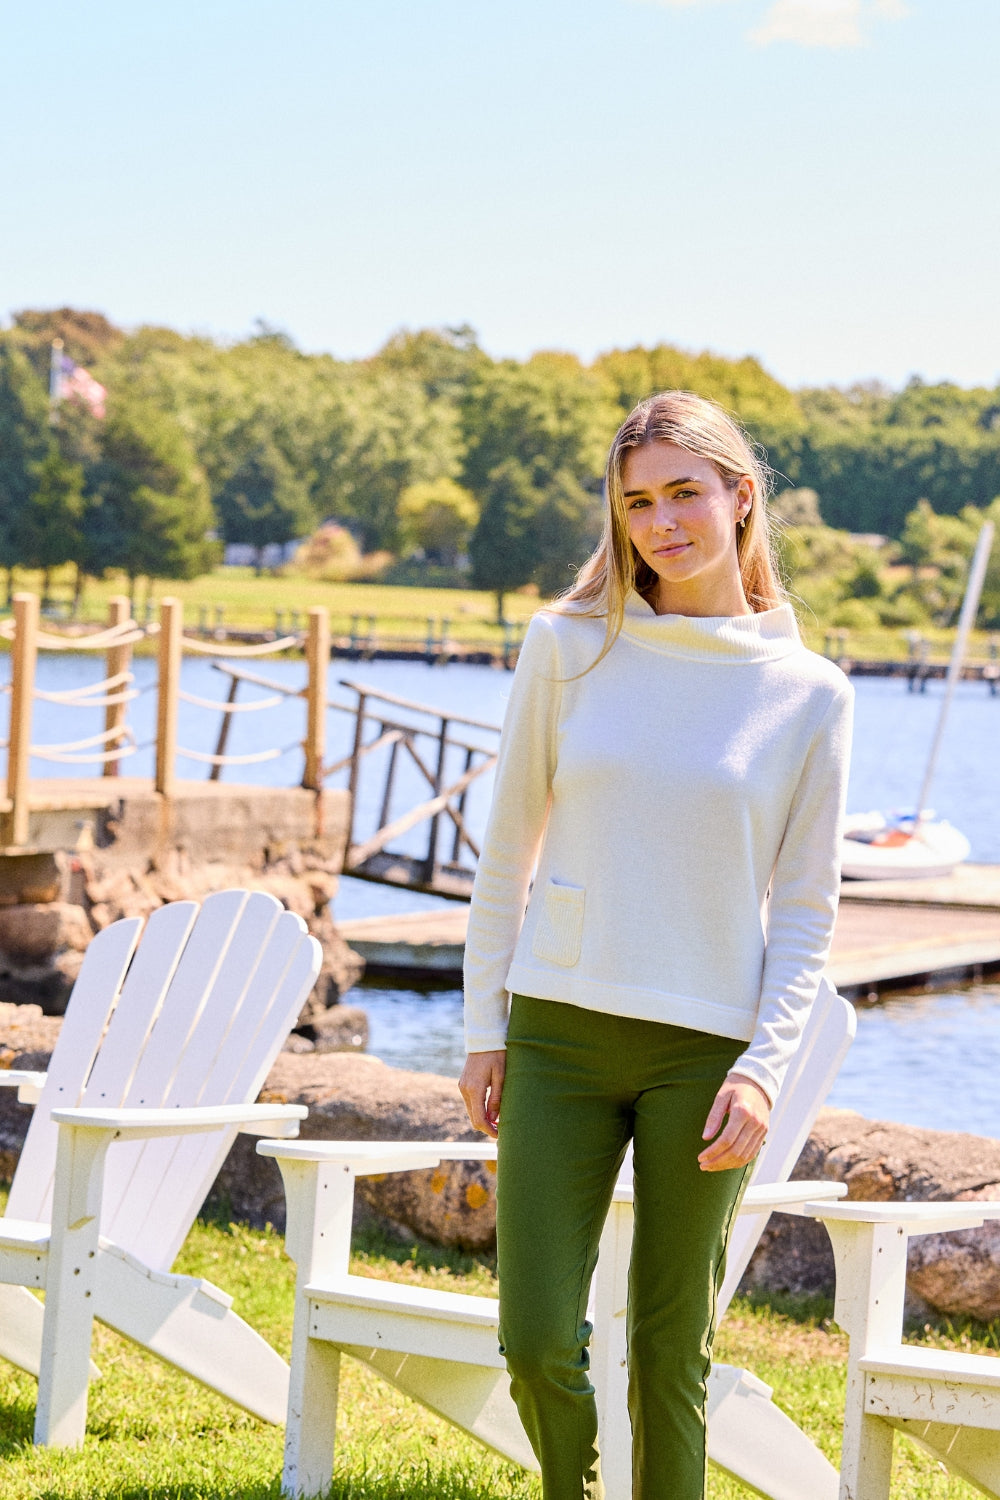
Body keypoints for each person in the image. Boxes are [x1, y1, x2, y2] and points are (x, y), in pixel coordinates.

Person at [459, 391, 853, 1500]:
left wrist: (765, 1072)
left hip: (704, 1057)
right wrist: (483, 1026)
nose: (662, 521)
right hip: (559, 1037)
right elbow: (506, 856)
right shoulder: (569, 646)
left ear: (740, 496)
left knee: (671, 1354)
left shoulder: (810, 694)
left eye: (685, 491)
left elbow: (808, 910)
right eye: (637, 501)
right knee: (536, 1338)